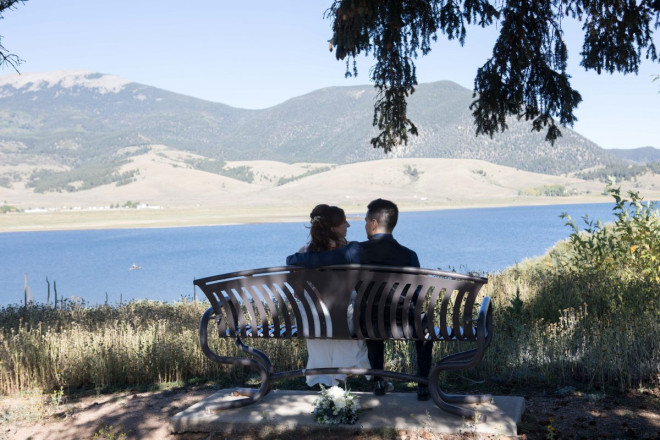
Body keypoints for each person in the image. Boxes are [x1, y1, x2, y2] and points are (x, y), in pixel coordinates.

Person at [286, 198, 433, 401]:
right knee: (422, 321)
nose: (363, 225)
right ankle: (423, 383)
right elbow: (417, 295)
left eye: (365, 220)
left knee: (369, 315)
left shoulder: (356, 250)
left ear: (373, 223)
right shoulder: (410, 255)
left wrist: (293, 259)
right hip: (407, 324)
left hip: (370, 324)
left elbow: (319, 259)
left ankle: (378, 380)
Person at [298, 204, 370, 388]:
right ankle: (342, 379)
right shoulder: (350, 251)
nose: (348, 225)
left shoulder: (303, 254)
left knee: (325, 315)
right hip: (343, 321)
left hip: (312, 321)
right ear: (332, 227)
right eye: (343, 221)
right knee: (348, 313)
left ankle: (328, 381)